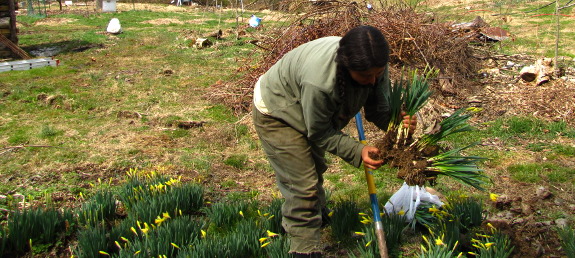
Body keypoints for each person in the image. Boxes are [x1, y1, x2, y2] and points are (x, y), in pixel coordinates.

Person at [252, 25, 417, 257]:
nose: (372, 81)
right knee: (303, 184)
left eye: (377, 74)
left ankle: (310, 218)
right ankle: (304, 248)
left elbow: (377, 110)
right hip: (277, 109)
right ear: (347, 66)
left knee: (315, 167)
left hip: (306, 107)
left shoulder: (374, 64)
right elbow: (319, 132)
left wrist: (398, 125)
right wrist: (357, 150)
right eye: (365, 76)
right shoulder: (319, 82)